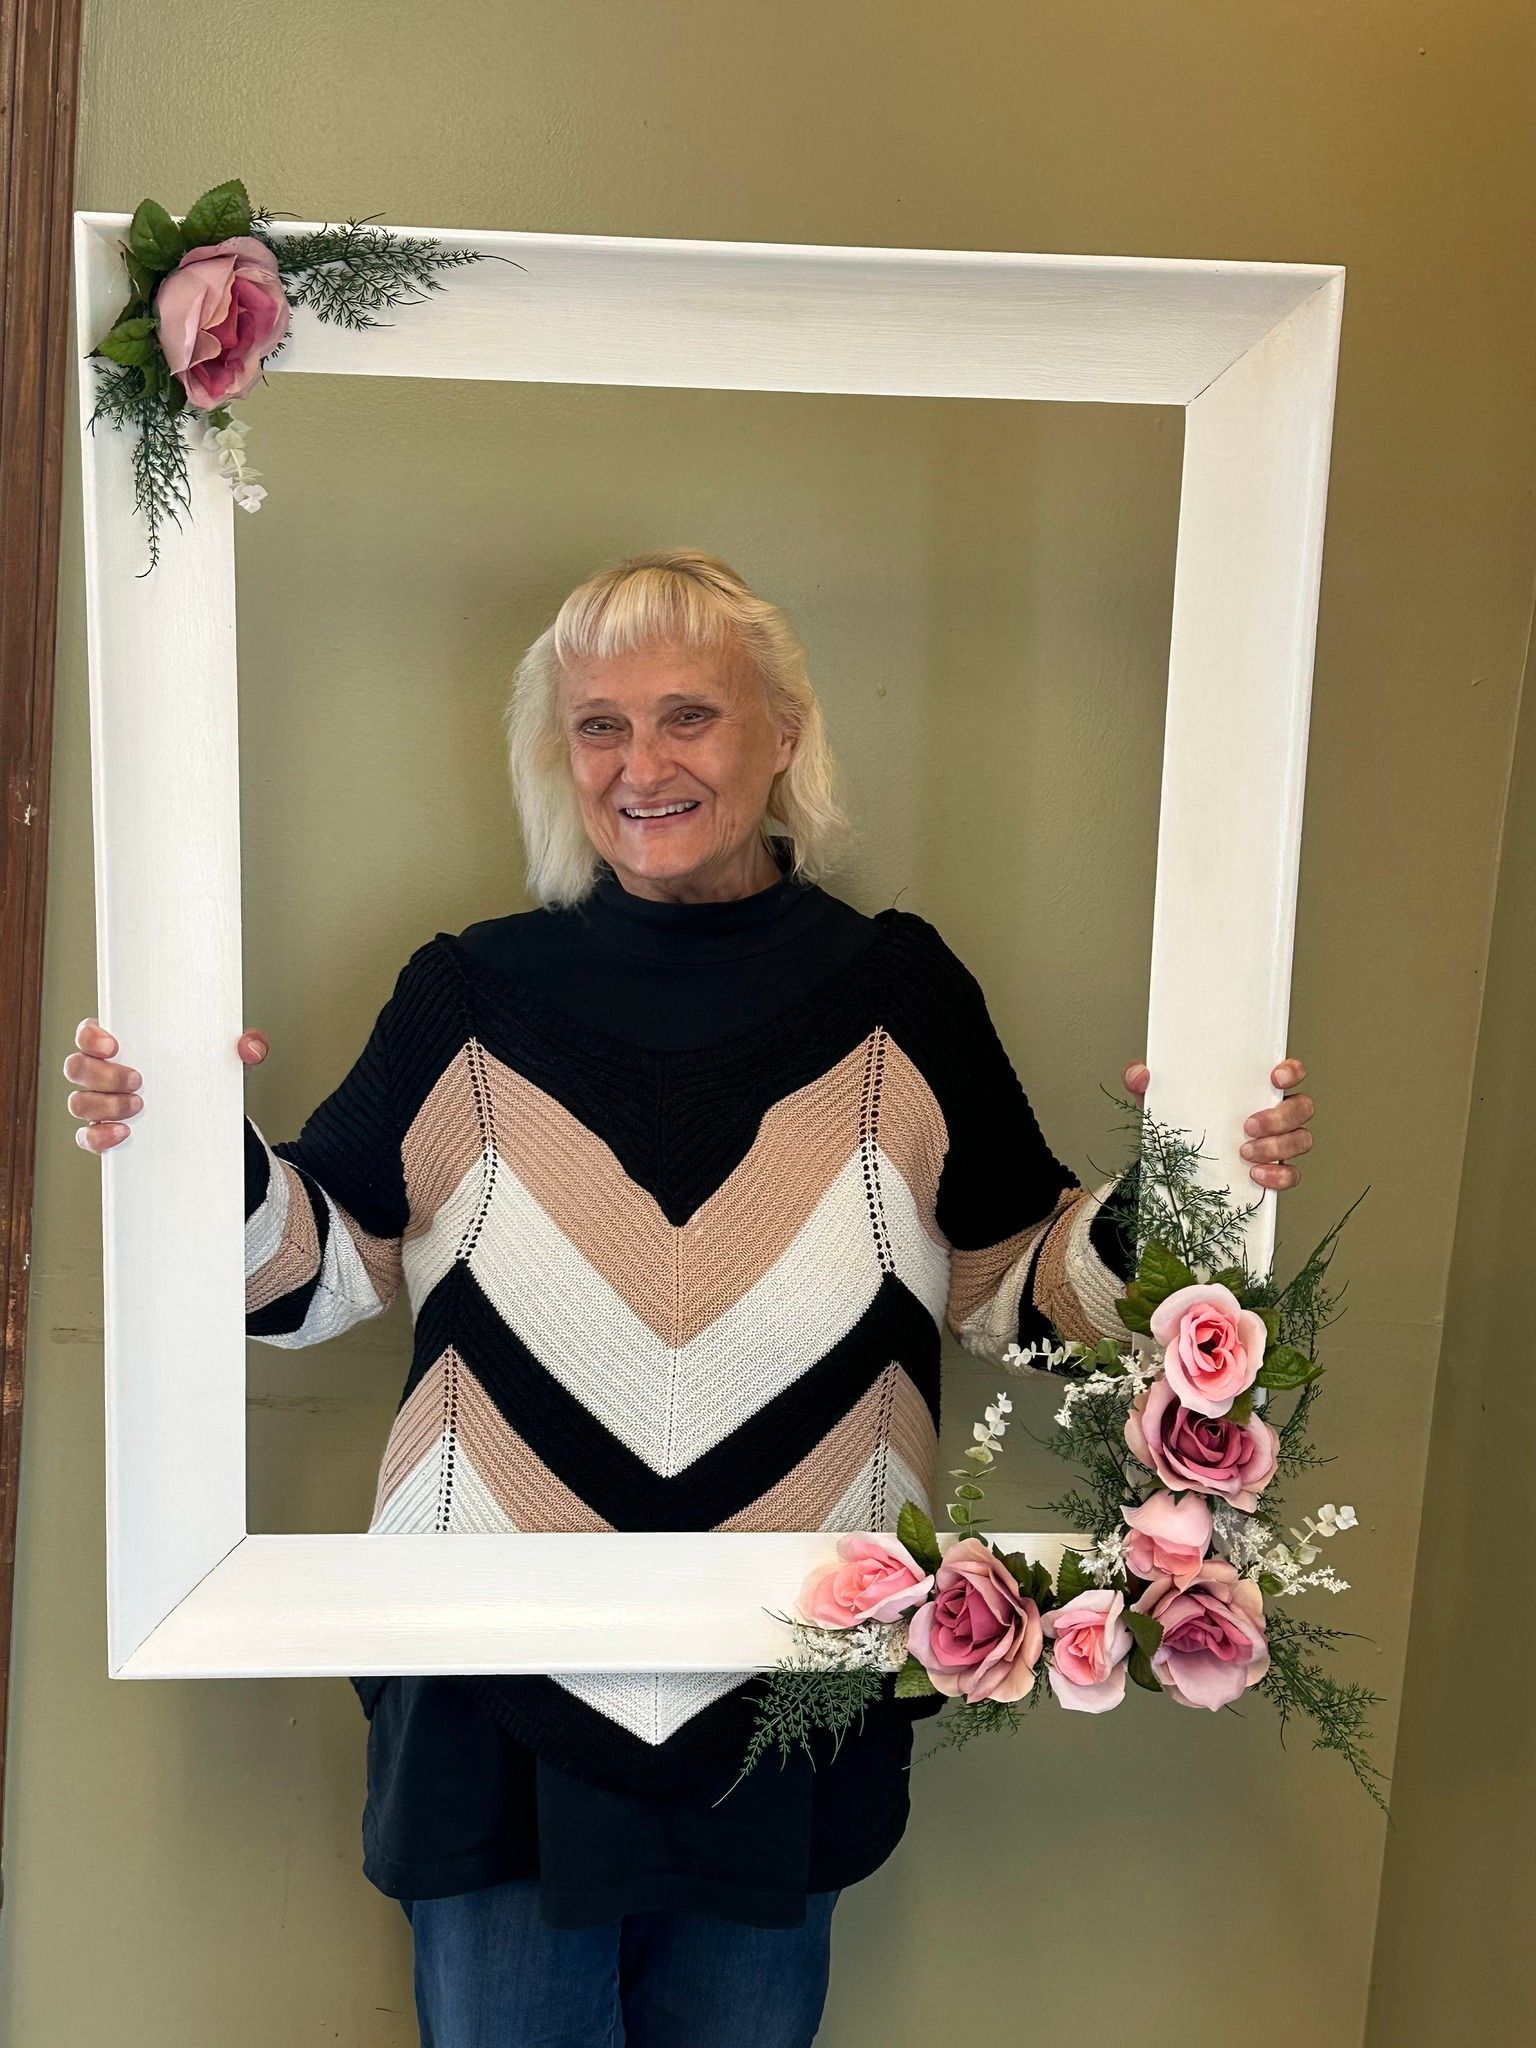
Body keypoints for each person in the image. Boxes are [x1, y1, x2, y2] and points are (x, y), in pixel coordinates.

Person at [64, 549, 1316, 2048]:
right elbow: (314, 1273)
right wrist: (185, 1153)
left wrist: (1191, 1185)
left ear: (783, 732)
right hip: (494, 1672)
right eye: (598, 725)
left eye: (687, 717)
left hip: (788, 1671)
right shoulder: (469, 996)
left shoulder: (901, 995)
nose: (639, 765)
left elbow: (1021, 1289)